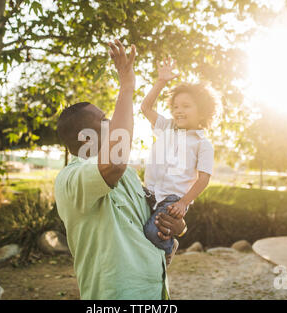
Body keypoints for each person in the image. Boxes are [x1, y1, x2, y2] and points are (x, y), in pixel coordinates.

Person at [54, 40, 186, 299]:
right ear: (85, 137)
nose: (112, 122)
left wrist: (177, 226)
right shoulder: (69, 179)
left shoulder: (127, 174)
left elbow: (152, 221)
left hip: (155, 293)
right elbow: (114, 162)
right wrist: (127, 86)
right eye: (104, 120)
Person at [141, 57, 217, 265]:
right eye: (175, 106)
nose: (178, 110)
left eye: (186, 106)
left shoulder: (203, 144)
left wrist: (184, 203)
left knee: (151, 231)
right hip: (149, 191)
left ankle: (168, 248)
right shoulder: (166, 127)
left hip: (173, 200)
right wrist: (161, 82)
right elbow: (146, 107)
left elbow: (203, 179)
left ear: (202, 111)